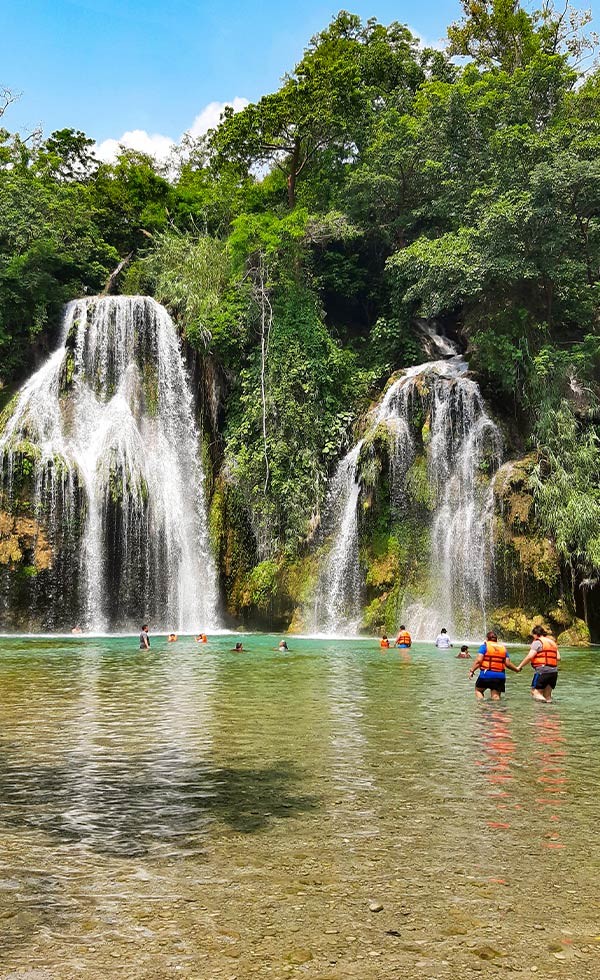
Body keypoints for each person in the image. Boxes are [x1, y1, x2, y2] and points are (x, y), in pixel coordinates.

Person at [469, 630, 519, 700]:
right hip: (500, 676)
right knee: (496, 696)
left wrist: (472, 670)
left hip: (486, 674)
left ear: (487, 639)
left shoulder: (484, 646)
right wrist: (516, 669)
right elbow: (507, 664)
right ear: (496, 640)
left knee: (479, 690)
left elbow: (479, 661)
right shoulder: (503, 648)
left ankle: (482, 707)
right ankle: (496, 709)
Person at [516, 625, 560, 703]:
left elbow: (530, 657)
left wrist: (520, 666)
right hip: (554, 671)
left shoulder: (537, 642)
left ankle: (541, 709)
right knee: (547, 695)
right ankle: (549, 711)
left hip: (542, 671)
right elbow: (558, 658)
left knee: (535, 692)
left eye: (533, 636)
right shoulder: (552, 643)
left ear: (536, 634)